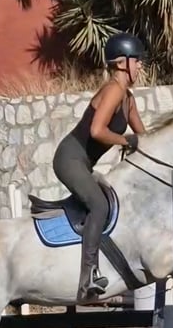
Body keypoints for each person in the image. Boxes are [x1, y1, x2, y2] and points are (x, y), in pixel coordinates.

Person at [52, 32, 148, 302]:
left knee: (111, 198)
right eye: (137, 61)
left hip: (83, 162)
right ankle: (88, 277)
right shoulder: (114, 90)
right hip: (68, 159)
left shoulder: (128, 99)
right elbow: (97, 130)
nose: (140, 66)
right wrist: (125, 140)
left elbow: (144, 137)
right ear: (122, 63)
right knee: (99, 205)